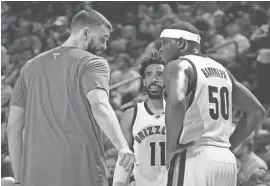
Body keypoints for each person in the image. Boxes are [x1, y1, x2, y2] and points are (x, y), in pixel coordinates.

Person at [7, 9, 135, 186]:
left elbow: (13, 126)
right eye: (103, 39)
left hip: (35, 174)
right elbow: (99, 105)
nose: (105, 46)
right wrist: (122, 147)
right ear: (85, 33)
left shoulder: (30, 66)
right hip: (81, 170)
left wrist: (19, 179)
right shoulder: (92, 62)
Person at [159, 21, 266, 186]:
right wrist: (229, 146)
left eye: (165, 43)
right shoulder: (223, 71)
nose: (160, 49)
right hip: (225, 161)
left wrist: (171, 147)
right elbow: (256, 111)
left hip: (193, 154)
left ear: (180, 42)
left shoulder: (178, 65)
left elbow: (177, 101)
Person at [113, 52, 167, 186]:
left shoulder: (181, 113)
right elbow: (125, 156)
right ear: (144, 81)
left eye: (159, 74)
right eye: (149, 75)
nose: (154, 79)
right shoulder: (131, 114)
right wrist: (118, 183)